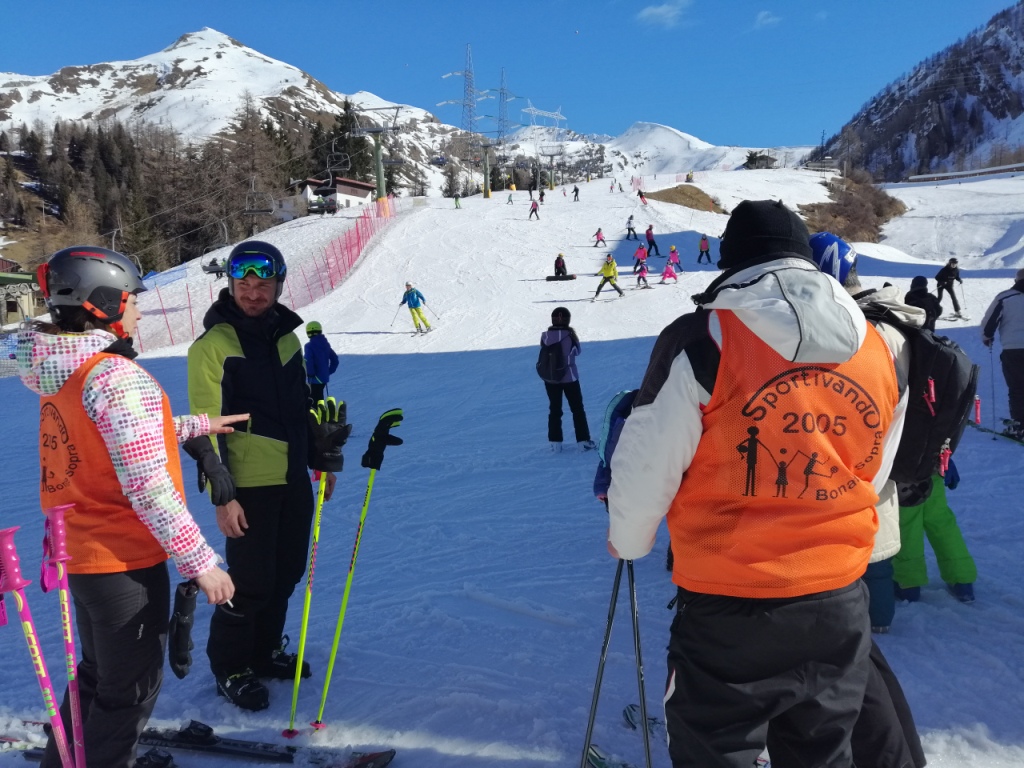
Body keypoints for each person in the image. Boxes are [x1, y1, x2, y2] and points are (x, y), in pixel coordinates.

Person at [607, 201, 905, 767]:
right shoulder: (877, 345)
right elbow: (874, 465)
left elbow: (647, 462)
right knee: (822, 752)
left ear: (732, 259)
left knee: (716, 750)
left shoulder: (706, 337)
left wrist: (629, 540)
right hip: (839, 597)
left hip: (732, 601)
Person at [22, 246, 236, 766]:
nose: (140, 311)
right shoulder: (116, 377)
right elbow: (147, 483)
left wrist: (195, 425)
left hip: (80, 554)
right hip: (123, 560)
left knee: (97, 678)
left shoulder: (63, 369)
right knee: (128, 692)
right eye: (133, 300)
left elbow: (106, 438)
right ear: (104, 303)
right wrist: (201, 561)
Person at [188, 241, 341, 711]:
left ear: (278, 285)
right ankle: (231, 665)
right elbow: (203, 425)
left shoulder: (287, 339)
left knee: (287, 573)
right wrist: (223, 495)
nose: (253, 294)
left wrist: (321, 458)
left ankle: (264, 650)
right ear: (231, 285)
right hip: (248, 484)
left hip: (292, 476)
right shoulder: (212, 347)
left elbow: (301, 406)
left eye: (263, 285)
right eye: (244, 284)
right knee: (251, 581)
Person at [894, 462, 977, 603]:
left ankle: (908, 583)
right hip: (932, 470)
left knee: (908, 526)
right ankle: (961, 578)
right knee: (941, 523)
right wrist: (946, 459)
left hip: (905, 477)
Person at [540, 307, 594, 452]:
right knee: (577, 409)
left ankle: (555, 443)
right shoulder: (569, 336)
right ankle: (583, 441)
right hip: (569, 377)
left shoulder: (545, 336)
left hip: (551, 378)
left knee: (554, 409)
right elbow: (576, 352)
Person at [980, 268, 1024, 437]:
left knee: (1017, 387)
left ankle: (1019, 427)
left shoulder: (1005, 297)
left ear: (1016, 281)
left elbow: (990, 320)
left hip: (1013, 349)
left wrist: (987, 336)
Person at [304, 320, 339, 404]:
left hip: (314, 378)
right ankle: (322, 409)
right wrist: (328, 371)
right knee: (319, 396)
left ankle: (315, 411)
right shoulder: (325, 345)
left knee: (313, 398)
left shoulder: (309, 346)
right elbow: (335, 360)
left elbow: (308, 360)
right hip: (323, 378)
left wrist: (310, 373)